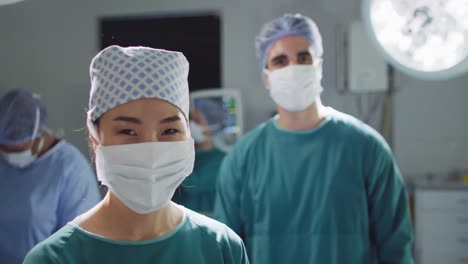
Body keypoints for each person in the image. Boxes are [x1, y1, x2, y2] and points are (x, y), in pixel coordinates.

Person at [214, 13, 414, 264]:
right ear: (266, 76)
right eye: (280, 60)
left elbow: (396, 244)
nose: (293, 68)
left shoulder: (366, 147)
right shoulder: (244, 157)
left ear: (318, 66)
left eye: (303, 57)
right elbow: (226, 250)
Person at [24, 45, 249, 264]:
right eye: (127, 131)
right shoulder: (53, 258)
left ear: (189, 136)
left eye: (169, 130)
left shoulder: (222, 249)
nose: (150, 150)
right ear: (95, 137)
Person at [0, 89, 101, 264]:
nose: (9, 157)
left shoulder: (70, 168)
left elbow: (78, 245)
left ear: (36, 137)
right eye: (3, 149)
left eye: (16, 150)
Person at [173, 109, 226, 216]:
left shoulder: (221, 160)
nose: (191, 125)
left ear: (212, 125)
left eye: (197, 122)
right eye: (189, 121)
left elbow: (191, 184)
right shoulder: (188, 155)